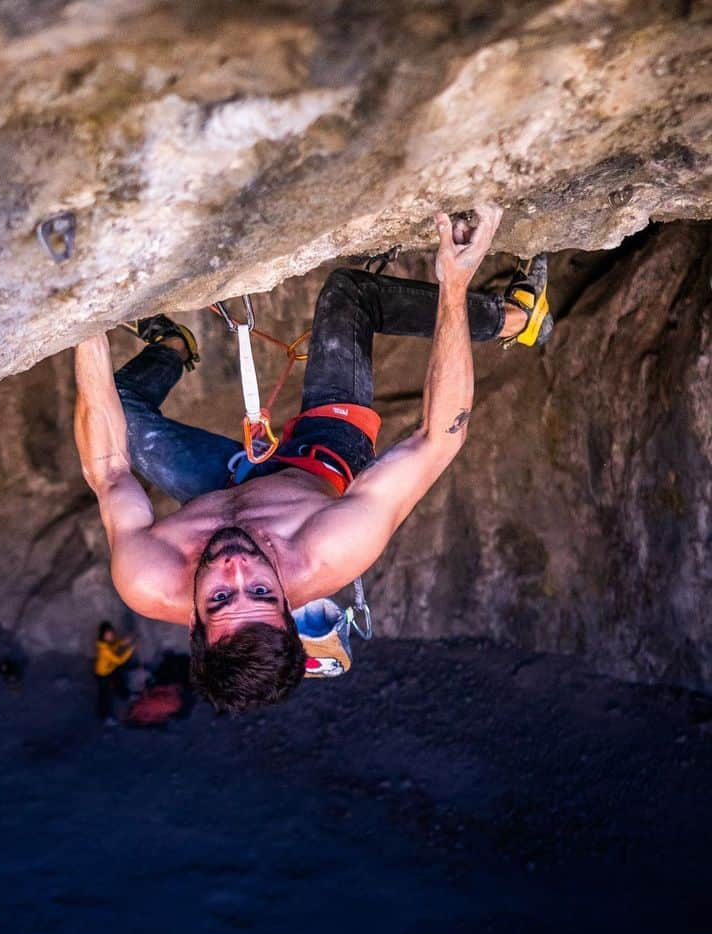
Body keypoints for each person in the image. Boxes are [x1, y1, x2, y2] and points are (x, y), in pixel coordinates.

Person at [73, 205, 551, 712]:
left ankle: (172, 343)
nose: (235, 569)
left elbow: (108, 467)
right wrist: (455, 286)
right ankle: (517, 319)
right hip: (316, 463)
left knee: (117, 407)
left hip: (220, 491)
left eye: (218, 599)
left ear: (192, 620)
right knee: (350, 295)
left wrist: (84, 316)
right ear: (288, 607)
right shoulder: (333, 547)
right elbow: (439, 438)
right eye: (259, 591)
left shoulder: (148, 577)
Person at [94, 621, 135, 724]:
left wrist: (124, 642)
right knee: (104, 695)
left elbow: (116, 644)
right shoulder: (104, 650)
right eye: (107, 634)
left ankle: (125, 695)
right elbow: (118, 660)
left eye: (111, 633)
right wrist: (130, 650)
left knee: (119, 682)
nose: (110, 636)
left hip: (111, 669)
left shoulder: (110, 642)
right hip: (102, 674)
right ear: (102, 636)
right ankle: (105, 717)